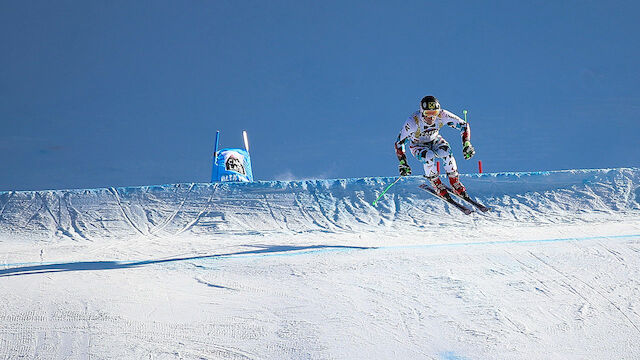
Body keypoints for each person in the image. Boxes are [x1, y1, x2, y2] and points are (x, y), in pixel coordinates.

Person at [394, 95, 475, 197]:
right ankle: (435, 182)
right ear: (422, 112)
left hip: (435, 140)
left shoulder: (442, 115)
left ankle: (454, 181)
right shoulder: (413, 122)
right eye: (428, 113)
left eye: (434, 113)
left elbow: (464, 125)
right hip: (418, 145)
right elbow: (399, 142)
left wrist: (467, 144)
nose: (431, 117)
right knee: (428, 156)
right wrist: (403, 162)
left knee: (446, 152)